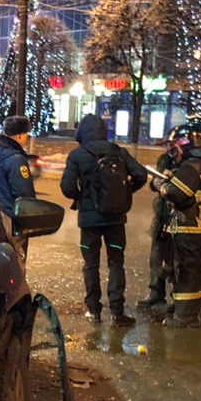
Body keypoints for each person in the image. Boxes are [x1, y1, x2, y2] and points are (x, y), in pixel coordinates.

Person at [60, 113, 147, 326]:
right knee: (116, 263)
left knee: (91, 265)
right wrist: (124, 193)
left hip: (89, 222)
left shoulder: (77, 155)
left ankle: (94, 310)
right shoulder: (119, 152)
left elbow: (67, 187)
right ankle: (117, 312)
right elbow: (141, 175)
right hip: (116, 220)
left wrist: (81, 197)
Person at [159, 122, 201, 328]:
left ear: (185, 143)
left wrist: (163, 186)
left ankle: (186, 317)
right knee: (193, 271)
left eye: (174, 144)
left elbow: (175, 193)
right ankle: (187, 312)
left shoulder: (190, 167)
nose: (172, 150)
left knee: (184, 273)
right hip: (198, 226)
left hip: (186, 228)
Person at [138, 130, 179, 309]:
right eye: (167, 146)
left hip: (178, 218)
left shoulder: (188, 163)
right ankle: (156, 292)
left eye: (173, 145)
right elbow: (158, 179)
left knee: (176, 260)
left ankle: (177, 298)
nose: (170, 149)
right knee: (156, 256)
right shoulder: (164, 159)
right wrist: (154, 183)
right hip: (162, 215)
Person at [0, 115, 37, 255]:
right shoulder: (16, 159)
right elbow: (24, 193)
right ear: (20, 135)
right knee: (16, 258)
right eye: (26, 134)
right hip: (12, 218)